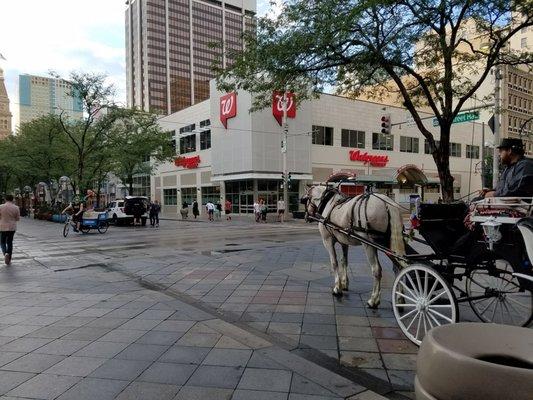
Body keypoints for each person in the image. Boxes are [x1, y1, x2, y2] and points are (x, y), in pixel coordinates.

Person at [0, 195, 20, 265]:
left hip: (2, 227)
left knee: (2, 242)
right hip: (12, 227)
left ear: (5, 199)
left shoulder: (1, 207)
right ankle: (9, 257)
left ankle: (5, 253)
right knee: (9, 242)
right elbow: (17, 218)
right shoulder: (16, 207)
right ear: (12, 199)